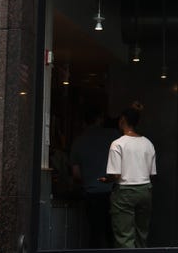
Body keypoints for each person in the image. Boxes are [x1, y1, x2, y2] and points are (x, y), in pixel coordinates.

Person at [101, 102, 156, 248]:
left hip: (124, 192)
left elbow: (115, 174)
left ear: (122, 120)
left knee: (124, 236)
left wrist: (106, 180)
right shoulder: (148, 143)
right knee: (141, 234)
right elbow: (152, 173)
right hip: (145, 190)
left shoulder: (118, 144)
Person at [70, 106, 118, 248]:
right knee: (112, 234)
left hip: (91, 194)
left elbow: (76, 174)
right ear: (99, 119)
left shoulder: (78, 142)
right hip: (112, 192)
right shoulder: (114, 135)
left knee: (95, 234)